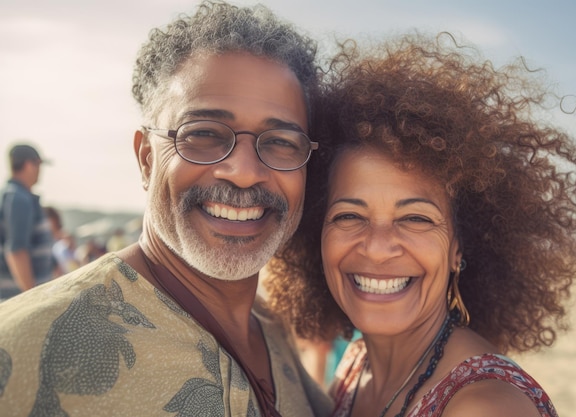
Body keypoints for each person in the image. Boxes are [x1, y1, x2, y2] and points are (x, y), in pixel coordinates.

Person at [0, 2, 332, 416]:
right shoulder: (23, 348)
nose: (245, 173)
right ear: (145, 158)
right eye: (204, 134)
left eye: (281, 142)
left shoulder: (275, 333)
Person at [265, 32, 576, 416]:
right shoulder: (355, 366)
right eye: (350, 216)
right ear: (316, 233)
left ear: (459, 247)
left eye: (416, 218)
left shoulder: (484, 407)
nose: (377, 246)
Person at [0, 143, 54, 300]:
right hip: (17, 298)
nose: (40, 172)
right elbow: (17, 251)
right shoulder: (19, 199)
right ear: (29, 165)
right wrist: (32, 299)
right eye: (39, 165)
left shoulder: (12, 195)